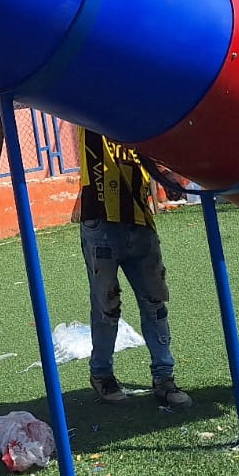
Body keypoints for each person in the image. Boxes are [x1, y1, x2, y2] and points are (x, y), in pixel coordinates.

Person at [75, 127, 191, 409]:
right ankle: (102, 374)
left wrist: (171, 174)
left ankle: (164, 377)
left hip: (140, 219)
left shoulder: (141, 120)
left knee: (155, 301)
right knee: (106, 304)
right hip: (101, 219)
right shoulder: (88, 115)